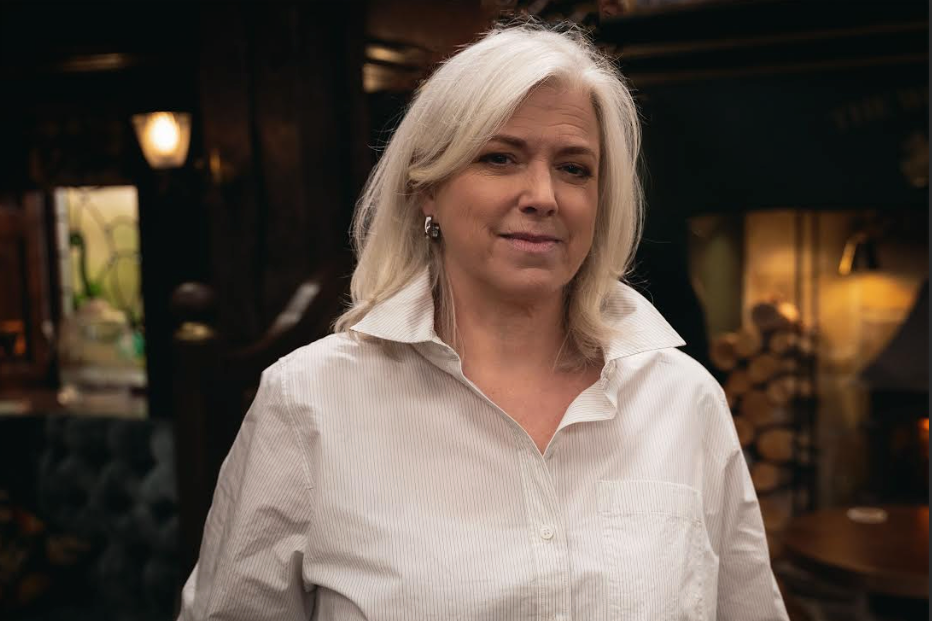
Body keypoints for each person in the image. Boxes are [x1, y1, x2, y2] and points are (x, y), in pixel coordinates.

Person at [178, 21, 789, 621]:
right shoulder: (310, 403)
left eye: (575, 168)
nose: (543, 195)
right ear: (427, 187)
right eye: (500, 158)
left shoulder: (683, 401)